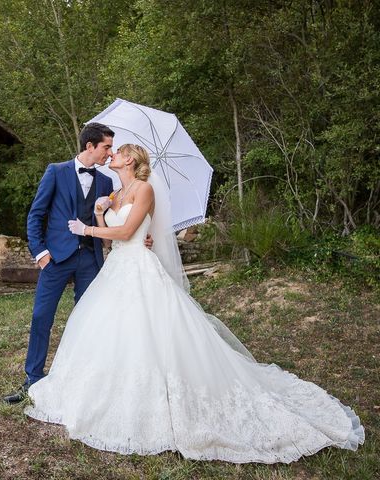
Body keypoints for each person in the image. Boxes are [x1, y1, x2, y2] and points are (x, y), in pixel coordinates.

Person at [23, 144, 364, 463]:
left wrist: (87, 230)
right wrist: (99, 213)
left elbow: (128, 233)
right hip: (116, 269)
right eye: (109, 149)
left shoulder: (144, 190)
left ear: (130, 160)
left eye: (118, 152)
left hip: (140, 269)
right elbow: (116, 231)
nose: (112, 155)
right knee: (110, 331)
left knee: (148, 329)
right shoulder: (115, 192)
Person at [2, 123, 118, 404]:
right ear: (89, 146)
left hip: (90, 259)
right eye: (106, 147)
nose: (110, 153)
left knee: (89, 320)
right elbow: (36, 214)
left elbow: (115, 221)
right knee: (42, 316)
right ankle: (33, 378)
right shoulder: (56, 171)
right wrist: (40, 252)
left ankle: (83, 379)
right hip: (56, 258)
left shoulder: (106, 182)